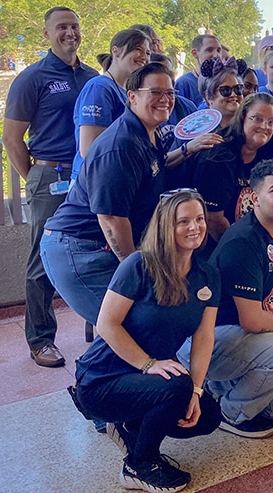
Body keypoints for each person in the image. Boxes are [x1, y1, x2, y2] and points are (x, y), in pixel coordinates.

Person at [71, 190, 221, 493]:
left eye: (199, 219)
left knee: (207, 416)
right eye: (183, 221)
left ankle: (130, 425)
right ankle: (140, 465)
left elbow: (204, 335)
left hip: (146, 378)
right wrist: (148, 364)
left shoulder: (207, 274)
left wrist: (196, 390)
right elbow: (107, 324)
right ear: (165, 226)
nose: (195, 227)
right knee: (176, 386)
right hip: (102, 379)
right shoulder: (139, 265)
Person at [40, 63, 177, 326]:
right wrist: (136, 271)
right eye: (155, 92)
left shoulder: (148, 135)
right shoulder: (120, 146)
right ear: (132, 96)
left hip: (103, 244)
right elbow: (111, 219)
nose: (165, 99)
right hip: (79, 247)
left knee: (148, 321)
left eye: (170, 93)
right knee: (129, 325)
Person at [179, 159, 273, 438]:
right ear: (255, 199)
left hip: (251, 340)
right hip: (209, 340)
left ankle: (221, 387)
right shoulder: (243, 240)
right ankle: (230, 413)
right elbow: (251, 320)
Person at [3, 6, 98, 367]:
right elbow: (12, 139)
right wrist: (36, 178)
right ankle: (41, 339)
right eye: (61, 27)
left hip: (88, 178)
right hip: (50, 177)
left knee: (97, 248)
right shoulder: (32, 78)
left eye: (74, 26)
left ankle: (101, 329)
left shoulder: (91, 78)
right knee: (42, 259)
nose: (70, 33)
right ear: (46, 33)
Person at [189, 92, 273, 240]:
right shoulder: (217, 157)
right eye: (258, 119)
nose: (265, 127)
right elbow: (213, 220)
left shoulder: (270, 155)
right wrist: (243, 246)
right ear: (242, 118)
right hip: (217, 242)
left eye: (271, 122)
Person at [70, 27, 151, 180]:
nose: (144, 57)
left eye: (147, 53)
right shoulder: (99, 87)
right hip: (96, 179)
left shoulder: (128, 91)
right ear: (116, 51)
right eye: (137, 49)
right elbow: (89, 148)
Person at [175, 34, 222, 104]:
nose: (216, 55)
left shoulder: (224, 81)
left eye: (218, 50)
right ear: (195, 53)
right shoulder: (184, 83)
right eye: (209, 50)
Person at [198, 58, 244, 129]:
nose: (234, 94)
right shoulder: (199, 129)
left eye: (238, 88)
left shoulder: (251, 126)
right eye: (225, 90)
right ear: (208, 97)